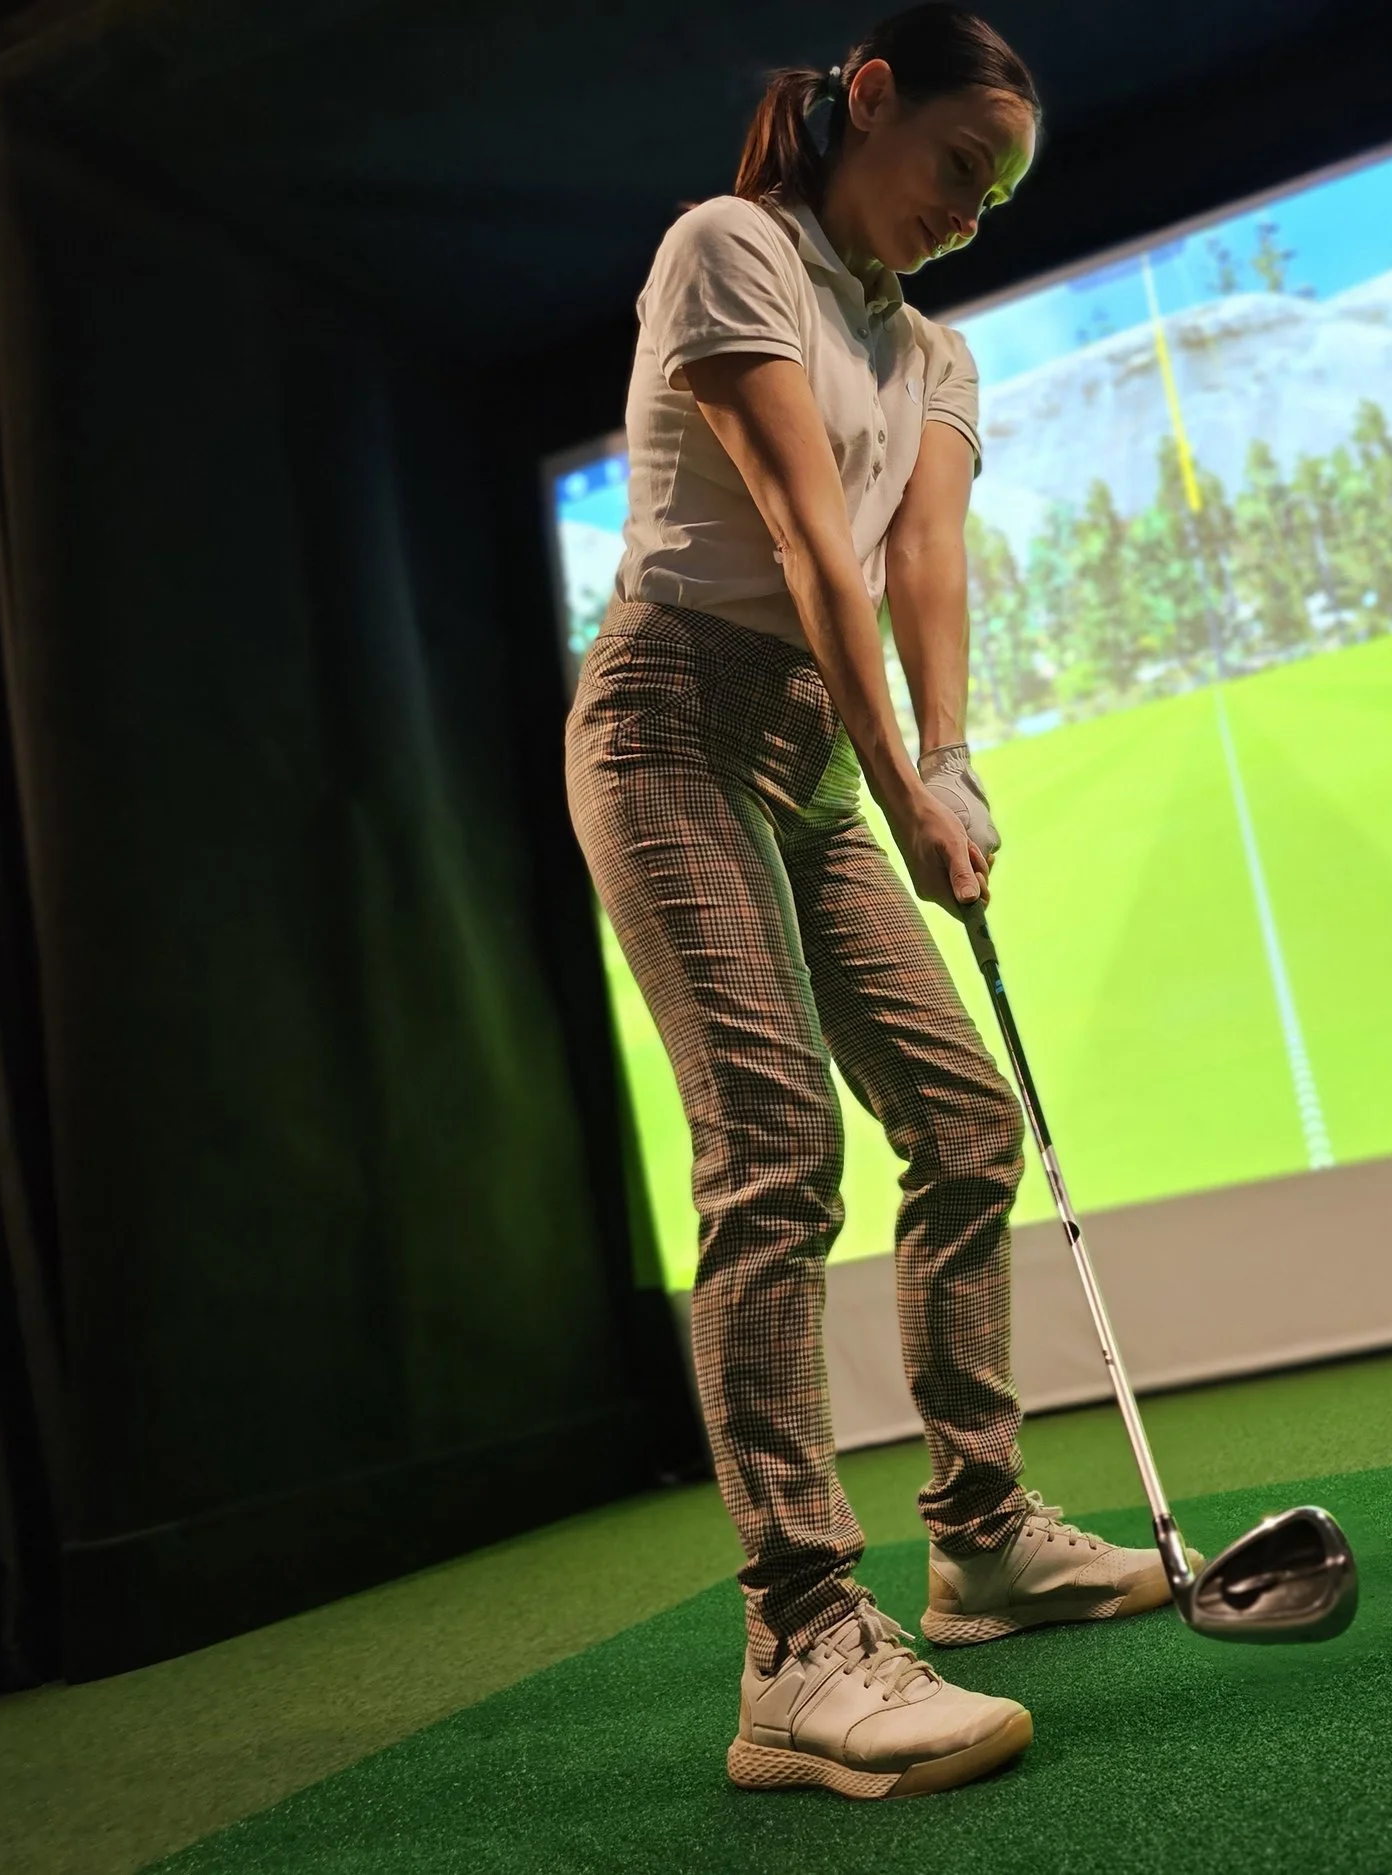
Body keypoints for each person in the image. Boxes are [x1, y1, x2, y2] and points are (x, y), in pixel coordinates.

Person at [566, 3, 1190, 1802]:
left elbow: (920, 552)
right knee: (773, 1142)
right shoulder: (728, 247)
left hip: (815, 757)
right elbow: (797, 533)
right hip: (671, 722)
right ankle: (796, 1643)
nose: (968, 214)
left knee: (963, 1120)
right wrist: (896, 773)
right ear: (868, 99)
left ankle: (979, 1536)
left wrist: (951, 757)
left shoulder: (933, 352)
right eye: (958, 168)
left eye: (998, 198)